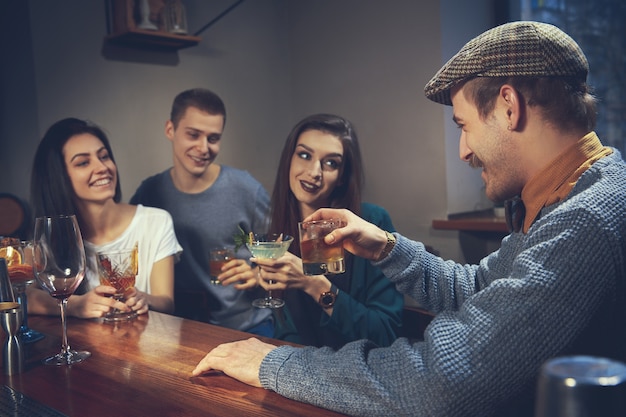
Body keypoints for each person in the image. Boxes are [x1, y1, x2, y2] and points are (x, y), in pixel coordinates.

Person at [192, 21, 626, 416]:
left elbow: (441, 382)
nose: (463, 151)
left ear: (509, 107)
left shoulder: (584, 221)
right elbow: (477, 288)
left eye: (463, 125)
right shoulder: (569, 195)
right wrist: (386, 247)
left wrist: (273, 363)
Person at [248, 113, 403, 349]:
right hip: (299, 372)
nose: (314, 172)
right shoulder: (281, 229)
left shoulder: (372, 222)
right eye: (304, 155)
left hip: (361, 372)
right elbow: (286, 331)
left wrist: (314, 285)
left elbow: (384, 334)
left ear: (342, 177)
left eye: (331, 163)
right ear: (289, 160)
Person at [130, 88, 273, 337]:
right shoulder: (150, 192)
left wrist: (257, 272)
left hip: (246, 326)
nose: (203, 147)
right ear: (170, 130)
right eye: (193, 135)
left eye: (213, 138)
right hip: (177, 328)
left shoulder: (246, 189)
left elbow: (282, 251)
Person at [29, 118, 181, 318]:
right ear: (58, 178)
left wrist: (146, 299)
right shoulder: (50, 238)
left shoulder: (156, 221)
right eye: (83, 162)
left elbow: (166, 303)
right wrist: (76, 305)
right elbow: (22, 297)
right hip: (86, 347)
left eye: (104, 156)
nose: (102, 167)